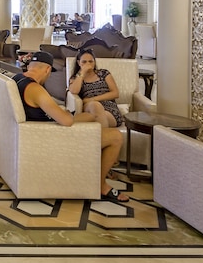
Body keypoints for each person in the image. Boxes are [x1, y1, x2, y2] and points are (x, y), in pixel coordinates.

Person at [11, 51, 128, 202]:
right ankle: (101, 184)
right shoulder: (35, 89)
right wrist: (64, 112)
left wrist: (63, 111)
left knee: (91, 116)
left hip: (42, 127)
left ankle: (95, 160)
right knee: (116, 137)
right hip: (53, 135)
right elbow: (66, 121)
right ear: (47, 69)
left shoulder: (17, 79)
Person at [68, 48, 122, 128]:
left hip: (109, 109)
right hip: (90, 107)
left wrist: (92, 99)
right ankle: (106, 135)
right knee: (95, 106)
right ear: (79, 63)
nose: (88, 64)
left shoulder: (104, 73)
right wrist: (82, 73)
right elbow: (74, 91)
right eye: (84, 62)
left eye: (90, 61)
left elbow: (115, 93)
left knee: (95, 114)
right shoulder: (76, 78)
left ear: (94, 62)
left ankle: (64, 119)